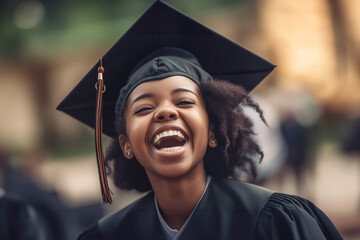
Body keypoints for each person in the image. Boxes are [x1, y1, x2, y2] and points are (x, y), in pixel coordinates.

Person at [57, 1, 343, 239]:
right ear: (126, 144)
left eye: (184, 102)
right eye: (144, 108)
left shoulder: (276, 222)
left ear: (213, 130)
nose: (165, 112)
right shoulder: (107, 237)